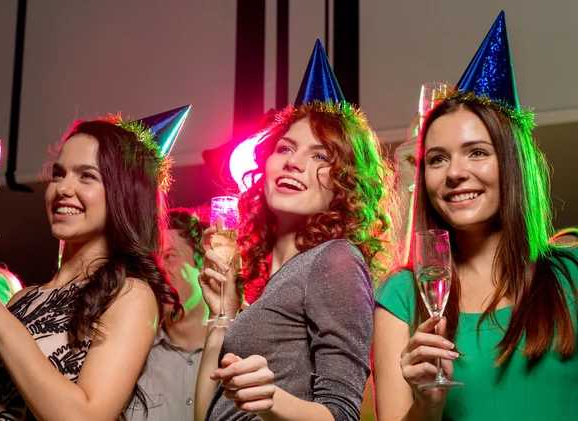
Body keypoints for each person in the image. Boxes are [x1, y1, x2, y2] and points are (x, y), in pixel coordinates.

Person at [373, 11, 578, 421]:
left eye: (478, 152)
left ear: (512, 164)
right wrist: (428, 403)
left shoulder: (571, 273)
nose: (454, 173)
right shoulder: (400, 295)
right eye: (437, 159)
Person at [195, 40, 394, 421]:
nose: (294, 163)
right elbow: (206, 413)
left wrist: (271, 400)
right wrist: (223, 313)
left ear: (346, 183)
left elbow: (343, 414)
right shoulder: (275, 279)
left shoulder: (334, 259)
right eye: (285, 148)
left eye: (320, 156)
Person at [0, 117, 181, 420]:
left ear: (122, 194)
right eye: (59, 174)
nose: (63, 188)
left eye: (86, 176)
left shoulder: (129, 294)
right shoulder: (22, 299)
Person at [126, 207, 209, 421]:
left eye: (170, 256)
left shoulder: (238, 351)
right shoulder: (132, 357)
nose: (159, 269)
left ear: (202, 265)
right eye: (153, 262)